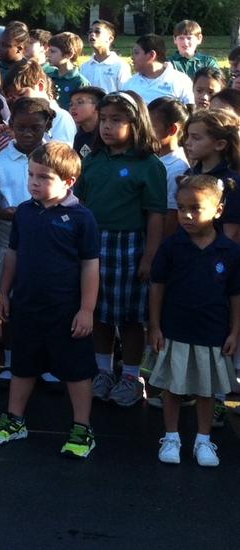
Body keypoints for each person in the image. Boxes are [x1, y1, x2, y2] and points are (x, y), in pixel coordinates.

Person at [0, 142, 100, 459]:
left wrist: (87, 310)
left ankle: (81, 428)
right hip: (27, 306)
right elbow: (13, 255)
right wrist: (4, 292)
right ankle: (15, 420)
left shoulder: (81, 218)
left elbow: (90, 266)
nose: (34, 182)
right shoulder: (24, 211)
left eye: (44, 177)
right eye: (31, 175)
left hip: (67, 309)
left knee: (76, 370)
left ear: (68, 181)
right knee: (22, 364)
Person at [75, 91, 166, 407]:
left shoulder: (148, 165)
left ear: (136, 123)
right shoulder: (92, 160)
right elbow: (81, 203)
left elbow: (156, 214)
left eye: (117, 120)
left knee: (128, 317)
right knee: (97, 311)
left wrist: (150, 255)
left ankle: (130, 376)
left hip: (129, 246)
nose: (107, 126)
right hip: (94, 244)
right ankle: (102, 371)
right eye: (104, 119)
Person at [149, 175, 240, 467]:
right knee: (173, 387)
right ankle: (172, 436)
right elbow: (157, 286)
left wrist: (235, 331)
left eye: (196, 208)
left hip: (213, 331)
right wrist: (155, 326)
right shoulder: (171, 246)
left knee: (206, 389)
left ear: (218, 210)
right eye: (181, 207)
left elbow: (236, 294)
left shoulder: (230, 251)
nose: (186, 215)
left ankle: (203, 440)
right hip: (175, 328)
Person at [0, 98, 54, 385]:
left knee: (47, 300)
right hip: (9, 235)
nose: (27, 133)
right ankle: (12, 361)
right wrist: (5, 212)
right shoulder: (0, 161)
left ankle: (47, 361)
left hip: (49, 238)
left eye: (35, 128)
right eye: (21, 127)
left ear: (47, 126)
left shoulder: (56, 156)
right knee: (9, 300)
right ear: (11, 126)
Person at [180, 109, 240, 240]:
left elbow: (231, 232)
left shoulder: (232, 182)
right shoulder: (188, 176)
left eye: (196, 138)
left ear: (219, 144)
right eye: (188, 136)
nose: (187, 142)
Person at [148, 98, 189, 236]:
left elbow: (171, 217)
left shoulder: (177, 167)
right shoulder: (151, 157)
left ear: (172, 129)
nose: (145, 131)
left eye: (151, 127)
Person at [125, 34, 194, 106]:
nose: (132, 57)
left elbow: (191, 111)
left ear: (152, 55)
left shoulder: (181, 81)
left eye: (136, 53)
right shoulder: (129, 84)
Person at [47, 32, 89, 110]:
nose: (48, 54)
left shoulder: (79, 82)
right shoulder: (48, 77)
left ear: (69, 54)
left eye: (52, 51)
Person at [69, 86, 105, 157]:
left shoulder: (105, 134)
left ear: (97, 107)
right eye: (71, 104)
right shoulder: (78, 136)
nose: (73, 107)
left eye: (80, 102)